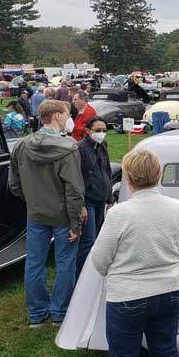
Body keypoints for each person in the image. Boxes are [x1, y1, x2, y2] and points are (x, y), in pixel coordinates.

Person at [91, 148, 179, 357]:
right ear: (159, 175)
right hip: (170, 289)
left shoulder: (119, 213)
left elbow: (100, 259)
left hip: (128, 295)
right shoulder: (177, 207)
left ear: (129, 178)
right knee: (167, 354)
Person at [8, 99, 84, 327]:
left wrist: (33, 200)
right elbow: (74, 190)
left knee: (34, 263)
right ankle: (59, 313)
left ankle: (37, 314)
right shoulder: (69, 147)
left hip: (36, 214)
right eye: (66, 113)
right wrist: (75, 223)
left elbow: (13, 184)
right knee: (65, 264)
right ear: (58, 116)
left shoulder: (21, 145)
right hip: (62, 217)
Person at [76, 116, 114, 279]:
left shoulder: (102, 146)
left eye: (104, 130)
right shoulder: (80, 149)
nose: (101, 133)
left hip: (101, 199)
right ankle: (81, 279)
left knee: (98, 238)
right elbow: (77, 177)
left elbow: (107, 172)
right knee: (88, 241)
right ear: (87, 131)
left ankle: (94, 275)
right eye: (98, 130)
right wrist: (82, 204)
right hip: (88, 200)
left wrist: (110, 199)